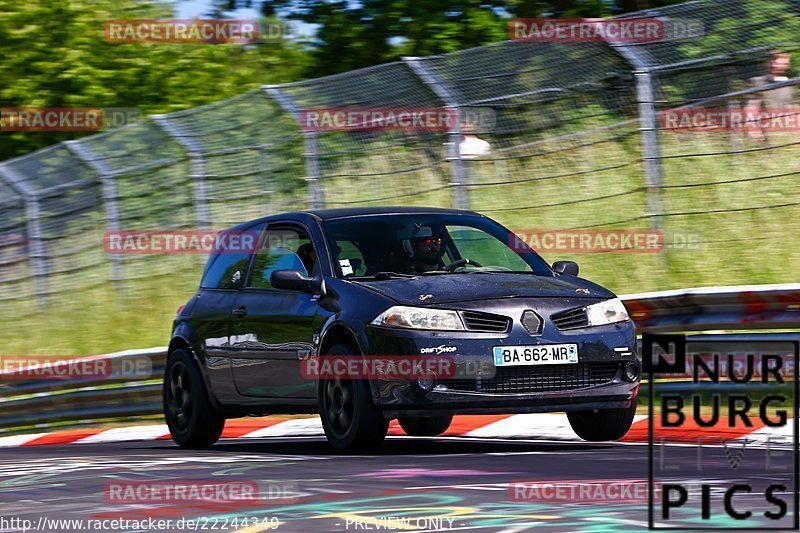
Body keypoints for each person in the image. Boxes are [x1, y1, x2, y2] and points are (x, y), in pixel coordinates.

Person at [746, 50, 796, 142]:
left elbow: (793, 108)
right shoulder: (758, 82)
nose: (775, 65)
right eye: (772, 62)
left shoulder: (791, 84)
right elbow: (752, 108)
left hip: (789, 132)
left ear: (787, 65)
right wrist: (754, 130)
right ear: (767, 63)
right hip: (768, 132)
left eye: (780, 63)